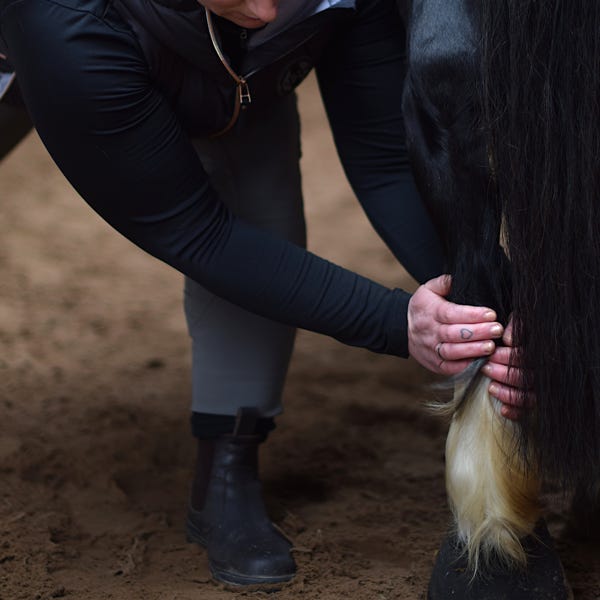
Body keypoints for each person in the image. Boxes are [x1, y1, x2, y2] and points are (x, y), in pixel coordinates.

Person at [0, 0, 519, 588]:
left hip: (229, 75)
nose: (263, 5)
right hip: (65, 48)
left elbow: (386, 160)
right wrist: (398, 322)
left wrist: (490, 311)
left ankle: (227, 463)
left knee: (262, 208)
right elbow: (192, 230)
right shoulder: (63, 19)